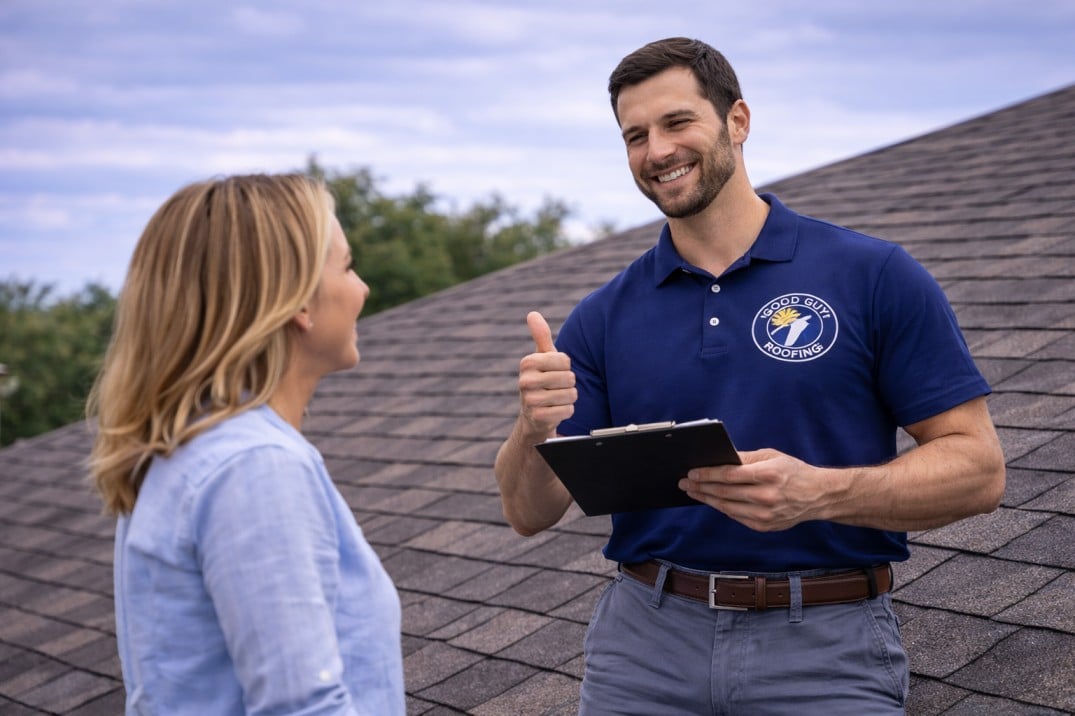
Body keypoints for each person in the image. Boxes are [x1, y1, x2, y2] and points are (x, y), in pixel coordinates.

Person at [494, 37, 1005, 715]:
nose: (656, 151)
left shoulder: (874, 275)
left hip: (825, 649)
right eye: (635, 136)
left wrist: (819, 493)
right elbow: (527, 513)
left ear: (737, 121)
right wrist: (533, 427)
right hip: (641, 650)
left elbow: (978, 470)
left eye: (677, 122)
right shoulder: (601, 317)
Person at [87, 173, 405, 715]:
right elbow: (303, 707)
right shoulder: (254, 468)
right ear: (300, 303)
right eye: (347, 266)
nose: (363, 288)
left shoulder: (183, 449)